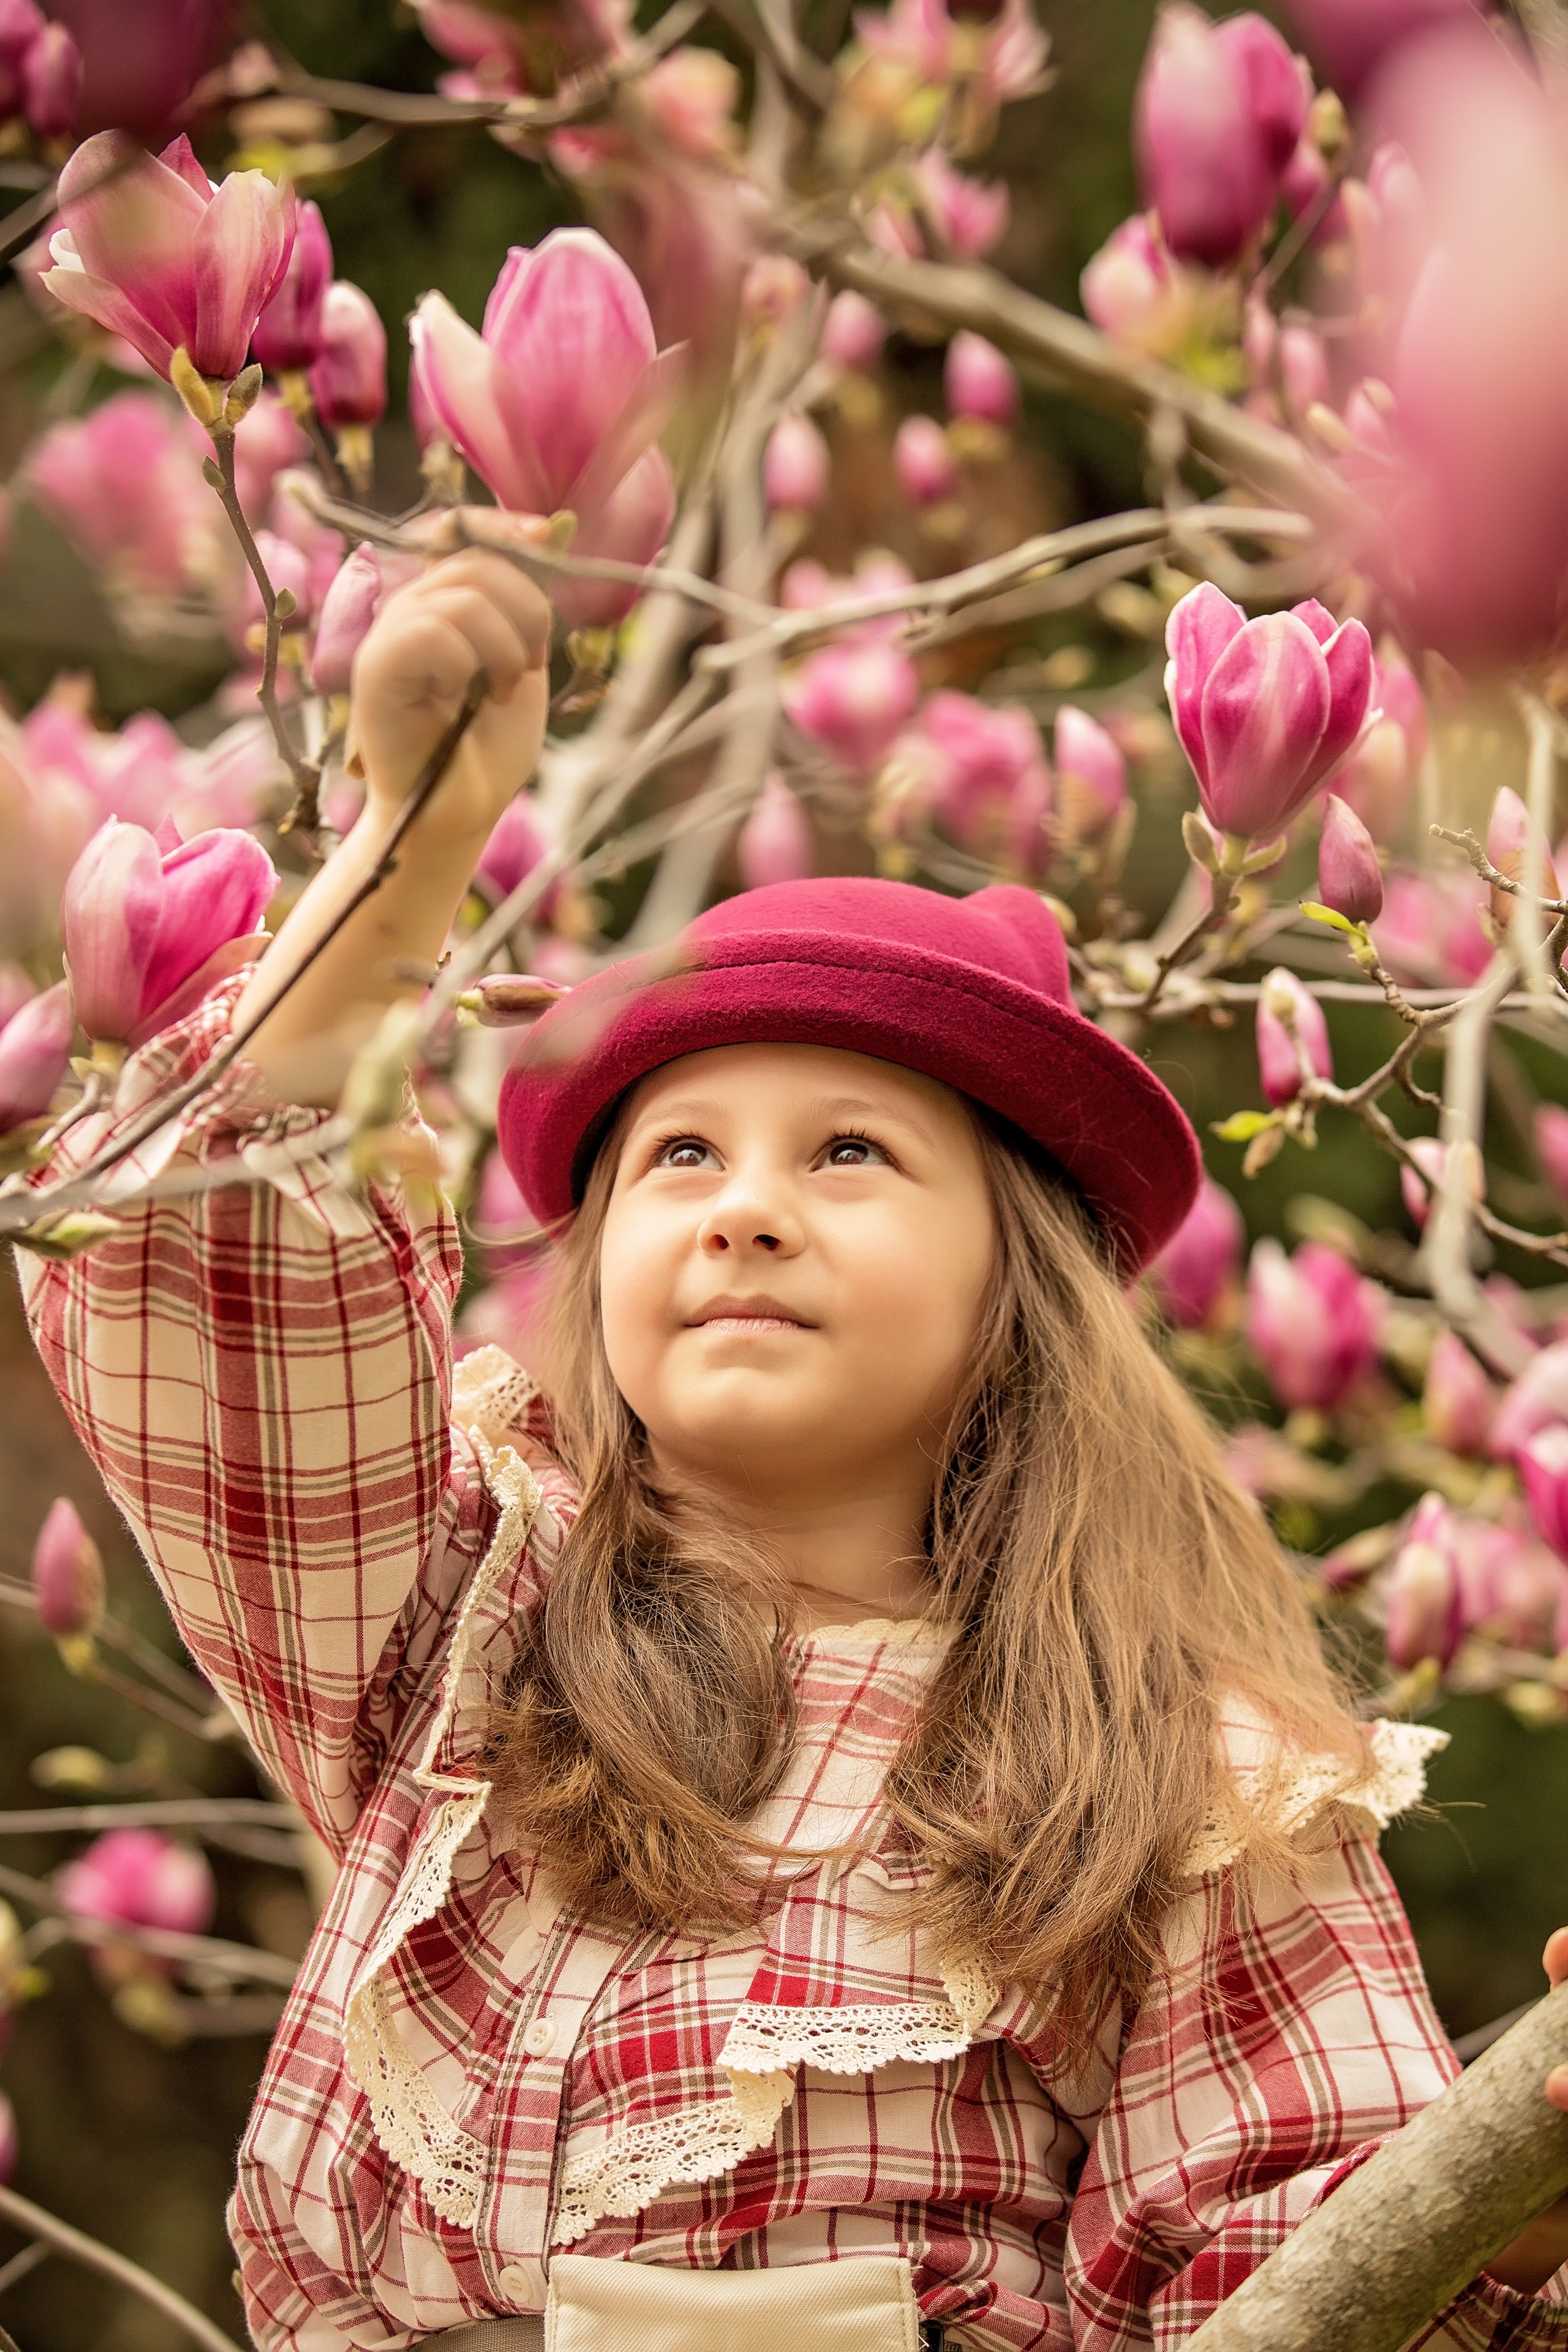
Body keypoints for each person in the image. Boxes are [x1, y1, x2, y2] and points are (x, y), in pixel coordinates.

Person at [18, 521, 1568, 2352]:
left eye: (849, 1152)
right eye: (681, 1156)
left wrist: (1508, 2180)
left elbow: (1307, 2279)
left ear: (1021, 1285)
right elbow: (234, 1306)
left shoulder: (1180, 1786)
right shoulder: (473, 1646)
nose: (743, 1213)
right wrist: (408, 853)